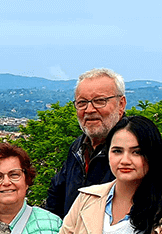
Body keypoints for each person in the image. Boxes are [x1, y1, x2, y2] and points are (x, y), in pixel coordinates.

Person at [46, 68, 127, 218]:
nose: (89, 110)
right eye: (82, 103)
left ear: (121, 104)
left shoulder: (136, 148)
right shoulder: (78, 148)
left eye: (99, 101)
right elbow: (56, 193)